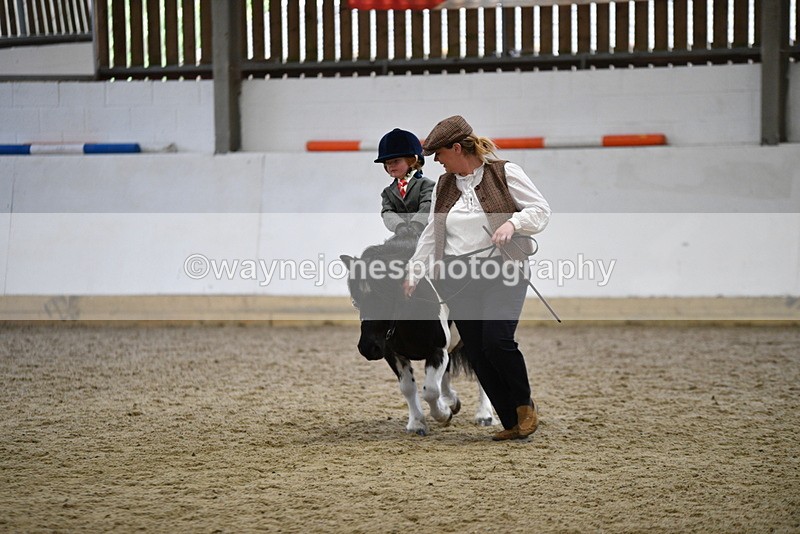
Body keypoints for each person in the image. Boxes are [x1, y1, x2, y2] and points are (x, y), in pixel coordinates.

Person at [403, 115, 551, 441]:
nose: (437, 162)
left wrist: (513, 224)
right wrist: (414, 271)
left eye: (439, 154)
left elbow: (540, 210)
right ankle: (511, 421)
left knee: (497, 340)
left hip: (504, 271)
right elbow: (432, 233)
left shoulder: (505, 172)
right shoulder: (444, 185)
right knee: (478, 351)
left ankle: (525, 406)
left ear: (457, 148)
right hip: (458, 278)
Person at [375, 128, 435, 238]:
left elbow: (427, 206)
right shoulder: (387, 192)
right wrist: (399, 226)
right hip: (401, 235)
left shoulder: (426, 185)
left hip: (425, 234)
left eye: (396, 161)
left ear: (412, 161)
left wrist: (416, 224)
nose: (391, 166)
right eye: (387, 163)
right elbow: (387, 212)